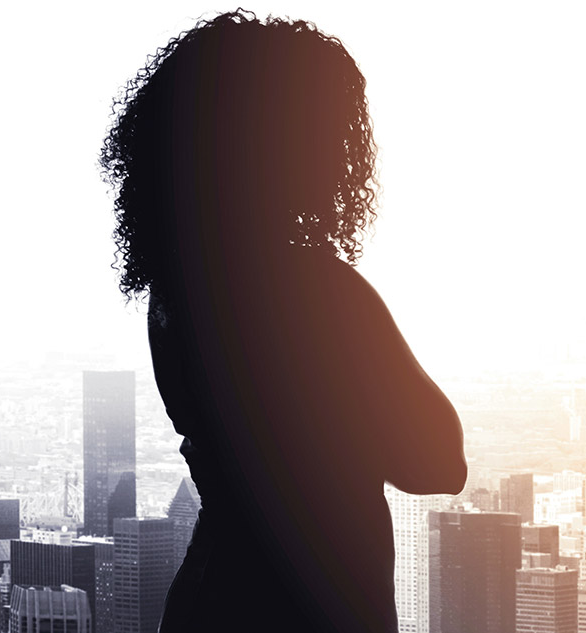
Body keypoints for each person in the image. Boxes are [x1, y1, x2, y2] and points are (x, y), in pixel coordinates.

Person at [99, 11, 468, 632]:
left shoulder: (175, 293)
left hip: (211, 599)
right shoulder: (316, 289)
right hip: (315, 605)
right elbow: (438, 462)